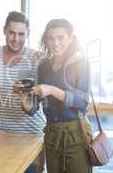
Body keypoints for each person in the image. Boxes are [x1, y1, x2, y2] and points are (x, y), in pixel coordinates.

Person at [0, 11, 46, 173]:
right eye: (11, 33)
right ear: (4, 30)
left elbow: (36, 105)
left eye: (21, 34)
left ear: (28, 34)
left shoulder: (36, 59)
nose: (16, 38)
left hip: (33, 137)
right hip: (3, 135)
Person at [19, 19, 93, 173]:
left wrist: (52, 90)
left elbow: (82, 102)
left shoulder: (81, 63)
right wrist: (25, 102)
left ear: (70, 39)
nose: (55, 43)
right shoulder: (43, 66)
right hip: (51, 135)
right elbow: (34, 107)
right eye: (51, 38)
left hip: (77, 134)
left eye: (61, 37)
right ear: (46, 40)